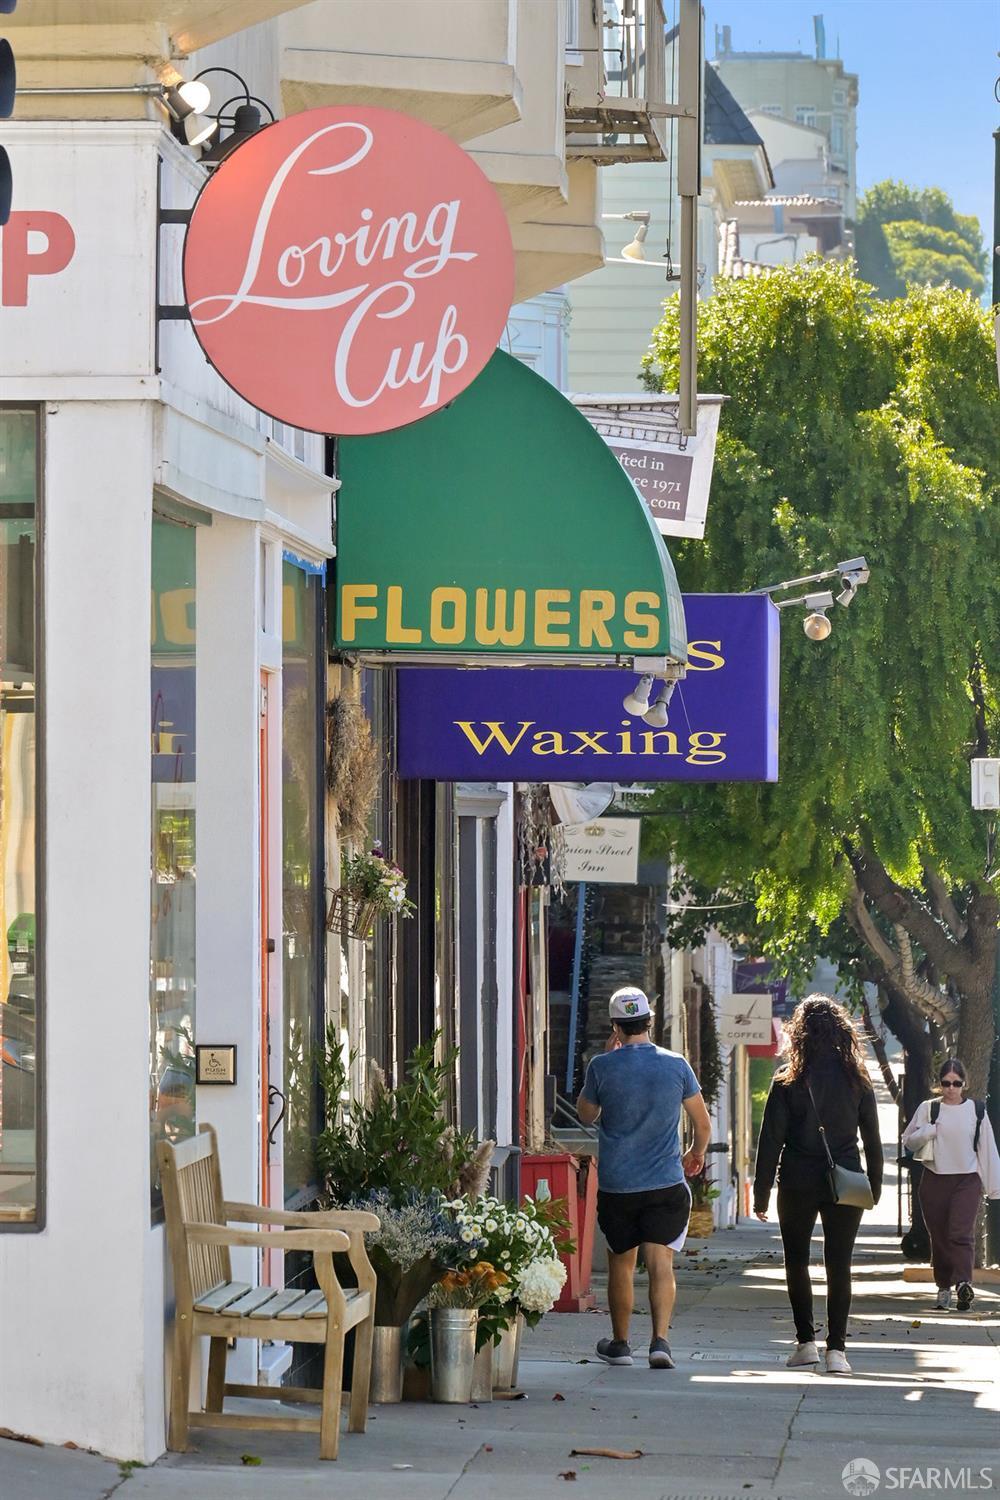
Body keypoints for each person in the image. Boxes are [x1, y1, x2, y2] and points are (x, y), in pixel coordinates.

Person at [576, 986, 711, 1370]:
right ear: (650, 1022)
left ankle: (620, 1344)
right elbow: (702, 1123)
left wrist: (605, 1057)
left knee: (621, 1263)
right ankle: (660, 1343)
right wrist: (695, 1154)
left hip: (619, 1184)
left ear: (616, 1026)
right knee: (660, 1263)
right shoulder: (676, 1065)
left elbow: (586, 1115)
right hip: (665, 1183)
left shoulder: (602, 1067)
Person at [753, 995, 883, 1375]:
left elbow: (770, 1141)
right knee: (839, 1264)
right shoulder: (858, 1080)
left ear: (799, 1034)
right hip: (845, 1180)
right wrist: (872, 1187)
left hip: (796, 1181)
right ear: (842, 1032)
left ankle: (805, 1342)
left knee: (796, 1261)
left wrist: (761, 1194)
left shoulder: (787, 1080)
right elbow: (873, 1143)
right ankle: (837, 1351)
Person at [901, 1058, 1000, 1311]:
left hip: (966, 1179)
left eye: (956, 1083)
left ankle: (963, 1283)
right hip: (934, 1179)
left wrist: (994, 1186)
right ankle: (944, 1287)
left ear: (964, 1084)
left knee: (961, 1233)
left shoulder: (976, 1110)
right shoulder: (929, 1108)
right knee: (941, 1238)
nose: (951, 1088)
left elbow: (986, 1148)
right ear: (940, 1084)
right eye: (946, 1083)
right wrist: (928, 1131)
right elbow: (908, 1141)